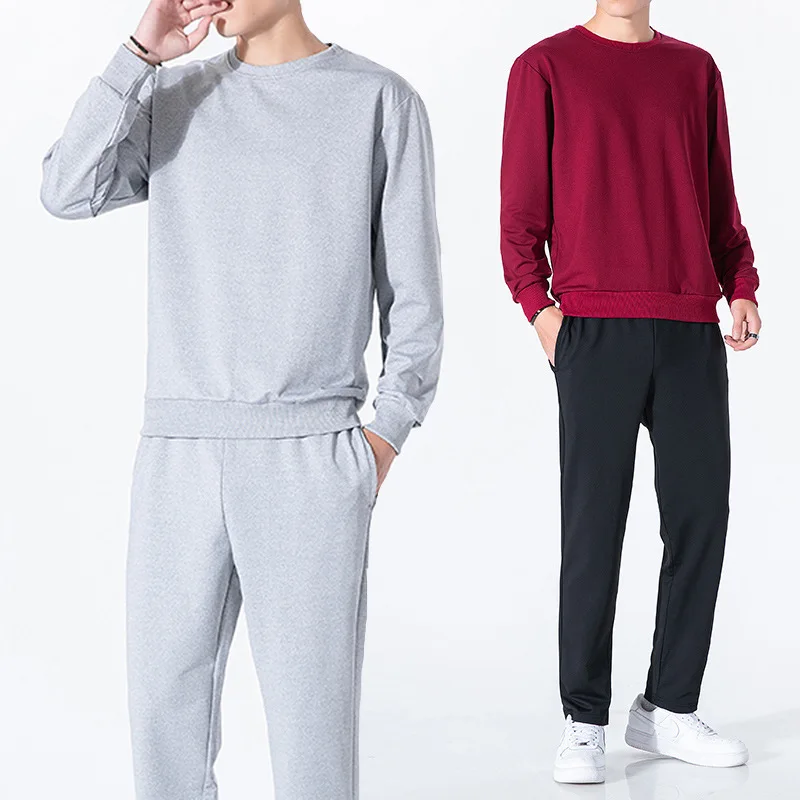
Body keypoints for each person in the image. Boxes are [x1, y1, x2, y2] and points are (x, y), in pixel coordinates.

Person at [40, 1, 443, 798]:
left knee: (311, 735)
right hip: (178, 451)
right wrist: (139, 53)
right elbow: (65, 189)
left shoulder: (378, 100)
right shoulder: (172, 98)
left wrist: (382, 440)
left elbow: (417, 303)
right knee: (163, 723)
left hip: (311, 455)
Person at [500, 0, 758, 785]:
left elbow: (718, 200)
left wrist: (741, 286)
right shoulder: (543, 67)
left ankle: (669, 708)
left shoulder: (694, 70)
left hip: (689, 329)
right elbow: (519, 217)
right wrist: (541, 313)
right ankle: (584, 721)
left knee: (700, 516)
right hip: (593, 332)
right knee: (594, 528)